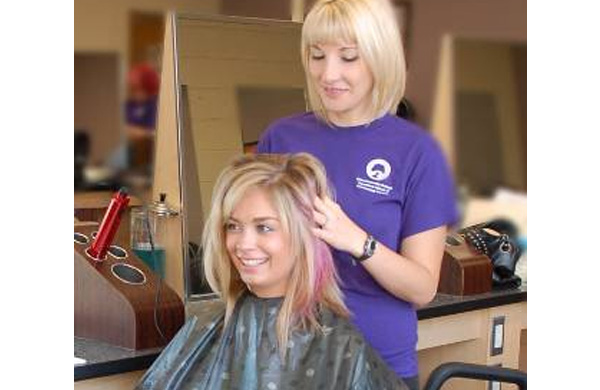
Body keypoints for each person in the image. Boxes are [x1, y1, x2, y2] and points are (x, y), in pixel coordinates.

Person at [257, 1, 458, 389]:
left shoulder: (417, 152)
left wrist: (356, 241)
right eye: (317, 56)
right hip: (289, 360)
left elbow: (422, 287)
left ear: (379, 59)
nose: (329, 73)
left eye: (348, 57)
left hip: (377, 365)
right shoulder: (280, 139)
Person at [135, 153, 407, 390]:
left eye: (264, 227)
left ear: (305, 236)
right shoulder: (205, 327)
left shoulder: (341, 346)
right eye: (233, 226)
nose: (243, 244)